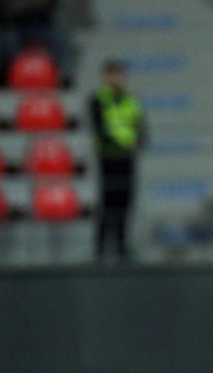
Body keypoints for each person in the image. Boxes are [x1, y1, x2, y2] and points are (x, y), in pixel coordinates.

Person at [89, 58, 146, 261]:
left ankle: (122, 246)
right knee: (107, 203)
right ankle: (101, 247)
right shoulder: (98, 99)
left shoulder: (131, 100)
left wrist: (138, 141)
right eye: (112, 74)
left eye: (119, 74)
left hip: (127, 158)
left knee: (125, 203)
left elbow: (140, 127)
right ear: (105, 77)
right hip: (107, 157)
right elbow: (99, 128)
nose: (116, 78)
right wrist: (126, 141)